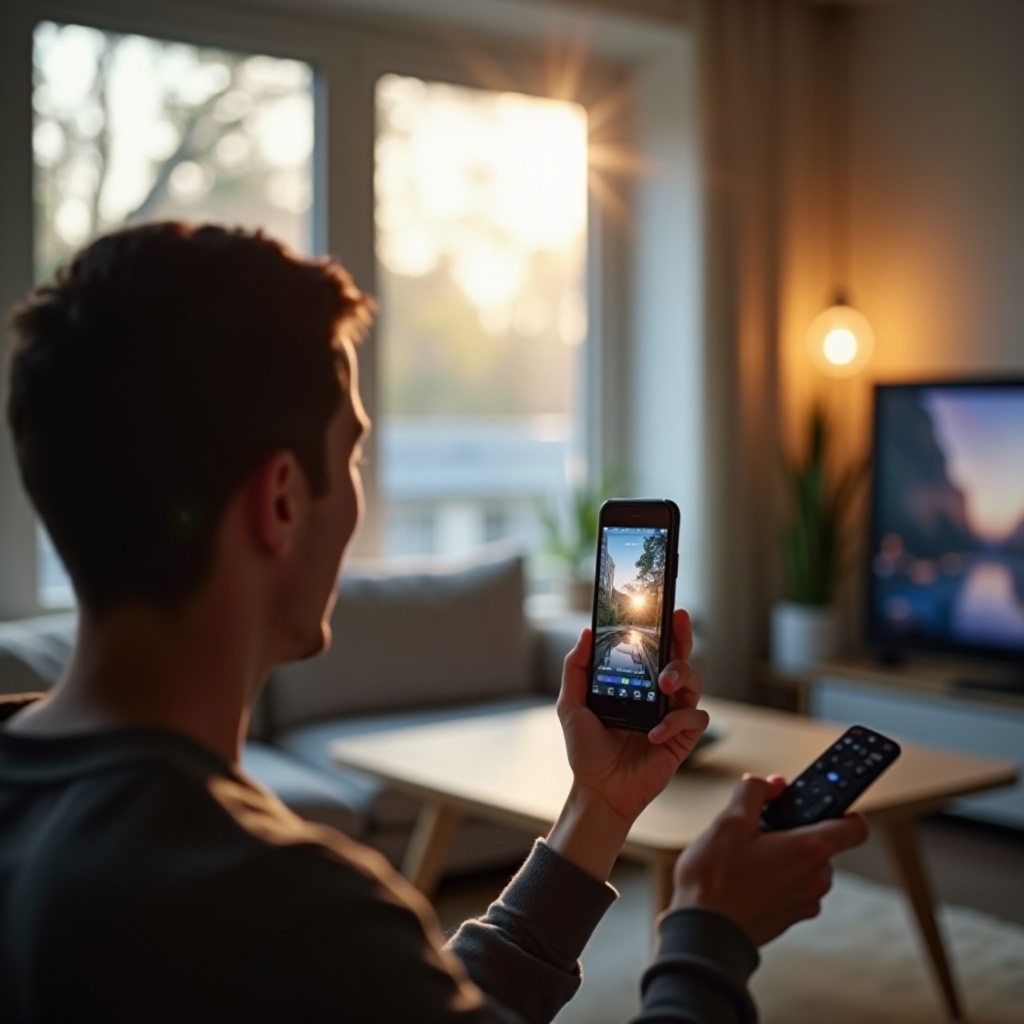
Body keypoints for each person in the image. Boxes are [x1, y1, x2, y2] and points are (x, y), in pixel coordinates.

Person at [0, 222, 868, 1024]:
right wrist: (709, 936)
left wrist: (595, 811)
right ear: (280, 501)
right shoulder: (280, 908)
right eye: (352, 455)